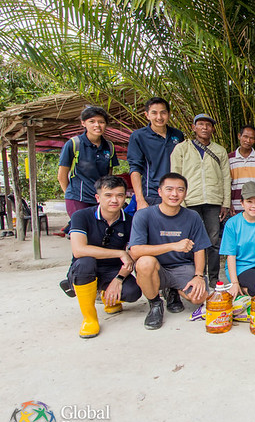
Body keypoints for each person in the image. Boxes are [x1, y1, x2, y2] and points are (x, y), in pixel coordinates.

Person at [129, 173, 212, 330]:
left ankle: (172, 290)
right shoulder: (144, 215)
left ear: (185, 193)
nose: (174, 194)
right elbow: (135, 251)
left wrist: (199, 276)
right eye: (169, 189)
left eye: (180, 190)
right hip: (156, 267)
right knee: (145, 262)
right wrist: (173, 245)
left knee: (199, 297)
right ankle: (155, 304)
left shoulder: (192, 216)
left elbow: (200, 248)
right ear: (160, 192)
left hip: (182, 267)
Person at [65, 176, 141, 338]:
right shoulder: (81, 216)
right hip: (84, 270)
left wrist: (118, 279)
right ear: (98, 198)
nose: (114, 200)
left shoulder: (130, 221)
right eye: (108, 195)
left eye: (119, 195)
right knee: (86, 262)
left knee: (133, 292)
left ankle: (107, 295)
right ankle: (89, 318)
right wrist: (120, 253)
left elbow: (132, 255)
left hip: (112, 270)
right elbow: (79, 250)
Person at [170, 113, 231, 283]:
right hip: (189, 200)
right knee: (189, 240)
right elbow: (175, 175)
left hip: (213, 200)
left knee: (213, 241)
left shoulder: (219, 150)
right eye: (201, 124)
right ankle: (193, 276)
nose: (205, 128)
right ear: (193, 127)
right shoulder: (182, 148)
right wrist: (178, 202)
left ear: (212, 129)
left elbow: (226, 178)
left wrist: (225, 203)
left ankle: (212, 278)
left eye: (208, 125)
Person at [58, 106, 119, 217]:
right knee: (81, 229)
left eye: (101, 122)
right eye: (92, 121)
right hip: (78, 198)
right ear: (83, 123)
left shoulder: (109, 147)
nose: (97, 125)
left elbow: (108, 175)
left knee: (99, 231)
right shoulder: (74, 144)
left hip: (100, 199)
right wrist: (70, 195)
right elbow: (62, 176)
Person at [127, 97, 184, 209]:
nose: (159, 117)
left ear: (169, 114)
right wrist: (140, 199)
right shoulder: (138, 136)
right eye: (154, 113)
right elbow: (135, 169)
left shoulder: (177, 135)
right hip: (152, 194)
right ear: (147, 115)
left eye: (163, 113)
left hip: (175, 193)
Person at [228, 125, 255, 214]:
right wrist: (229, 204)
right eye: (245, 137)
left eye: (251, 138)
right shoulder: (229, 159)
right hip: (236, 205)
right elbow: (226, 183)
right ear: (239, 136)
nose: (248, 141)